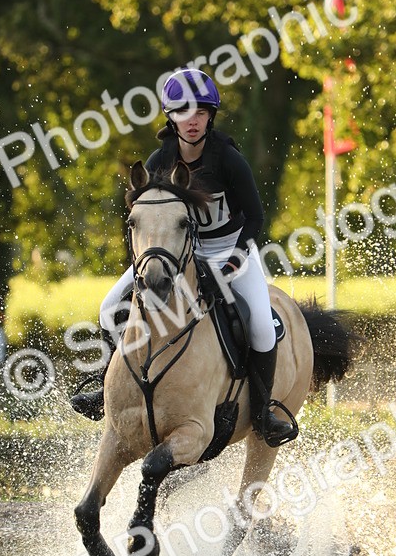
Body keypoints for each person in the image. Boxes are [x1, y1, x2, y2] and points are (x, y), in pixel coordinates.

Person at [71, 67, 296, 447]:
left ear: (210, 116)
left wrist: (238, 257)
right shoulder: (160, 160)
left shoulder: (228, 159)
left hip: (229, 249)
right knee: (110, 306)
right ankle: (105, 387)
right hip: (175, 253)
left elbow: (255, 216)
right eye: (182, 112)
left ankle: (261, 412)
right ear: (170, 117)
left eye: (200, 113)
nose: (191, 121)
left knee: (259, 323)